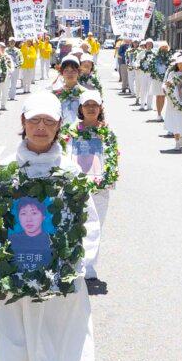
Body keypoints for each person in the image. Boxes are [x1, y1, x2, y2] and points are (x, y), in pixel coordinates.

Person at [0, 91, 97, 361]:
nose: (41, 128)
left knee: (44, 346)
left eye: (49, 122)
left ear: (59, 128)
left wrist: (72, 272)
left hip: (52, 285)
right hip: (11, 283)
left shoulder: (69, 172)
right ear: (22, 122)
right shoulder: (3, 168)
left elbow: (88, 226)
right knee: (11, 351)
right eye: (35, 120)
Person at [71, 91, 114, 280]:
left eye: (94, 105)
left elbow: (112, 158)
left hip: (99, 186)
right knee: (76, 222)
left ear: (100, 108)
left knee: (96, 224)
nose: (90, 108)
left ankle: (89, 265)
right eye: (87, 104)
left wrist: (108, 178)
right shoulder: (70, 130)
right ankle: (74, 260)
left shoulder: (107, 131)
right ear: (81, 108)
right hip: (77, 185)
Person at [51, 55, 86, 125]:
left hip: (80, 132)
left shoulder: (85, 93)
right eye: (66, 70)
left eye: (73, 70)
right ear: (62, 73)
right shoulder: (55, 94)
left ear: (78, 72)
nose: (70, 73)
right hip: (60, 132)